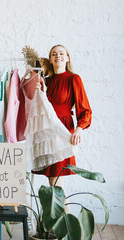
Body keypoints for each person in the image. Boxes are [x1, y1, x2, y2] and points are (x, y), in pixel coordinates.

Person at [34, 44, 92, 187]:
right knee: (52, 181)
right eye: (54, 54)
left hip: (63, 129)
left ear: (67, 58)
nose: (58, 56)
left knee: (56, 181)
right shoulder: (45, 81)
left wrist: (79, 129)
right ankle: (59, 210)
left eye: (61, 53)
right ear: (50, 60)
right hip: (47, 131)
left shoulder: (73, 79)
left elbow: (85, 108)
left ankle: (61, 210)